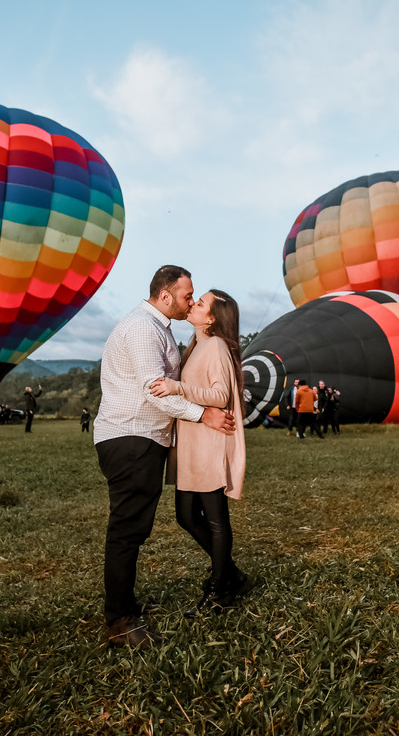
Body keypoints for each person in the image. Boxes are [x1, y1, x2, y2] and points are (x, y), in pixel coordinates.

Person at [94, 265, 234, 649]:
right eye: (188, 295)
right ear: (166, 295)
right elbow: (153, 390)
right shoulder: (142, 328)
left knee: (134, 529)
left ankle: (125, 605)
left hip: (143, 439)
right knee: (127, 529)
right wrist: (204, 413)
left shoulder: (159, 329)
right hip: (131, 437)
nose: (192, 301)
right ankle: (120, 620)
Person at [150, 289, 252, 615]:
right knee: (186, 515)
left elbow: (220, 396)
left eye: (201, 302)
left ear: (212, 318)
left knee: (215, 519)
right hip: (191, 446)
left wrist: (177, 387)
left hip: (209, 444)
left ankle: (222, 591)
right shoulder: (197, 347)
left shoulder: (217, 346)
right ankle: (231, 575)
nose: (193, 303)